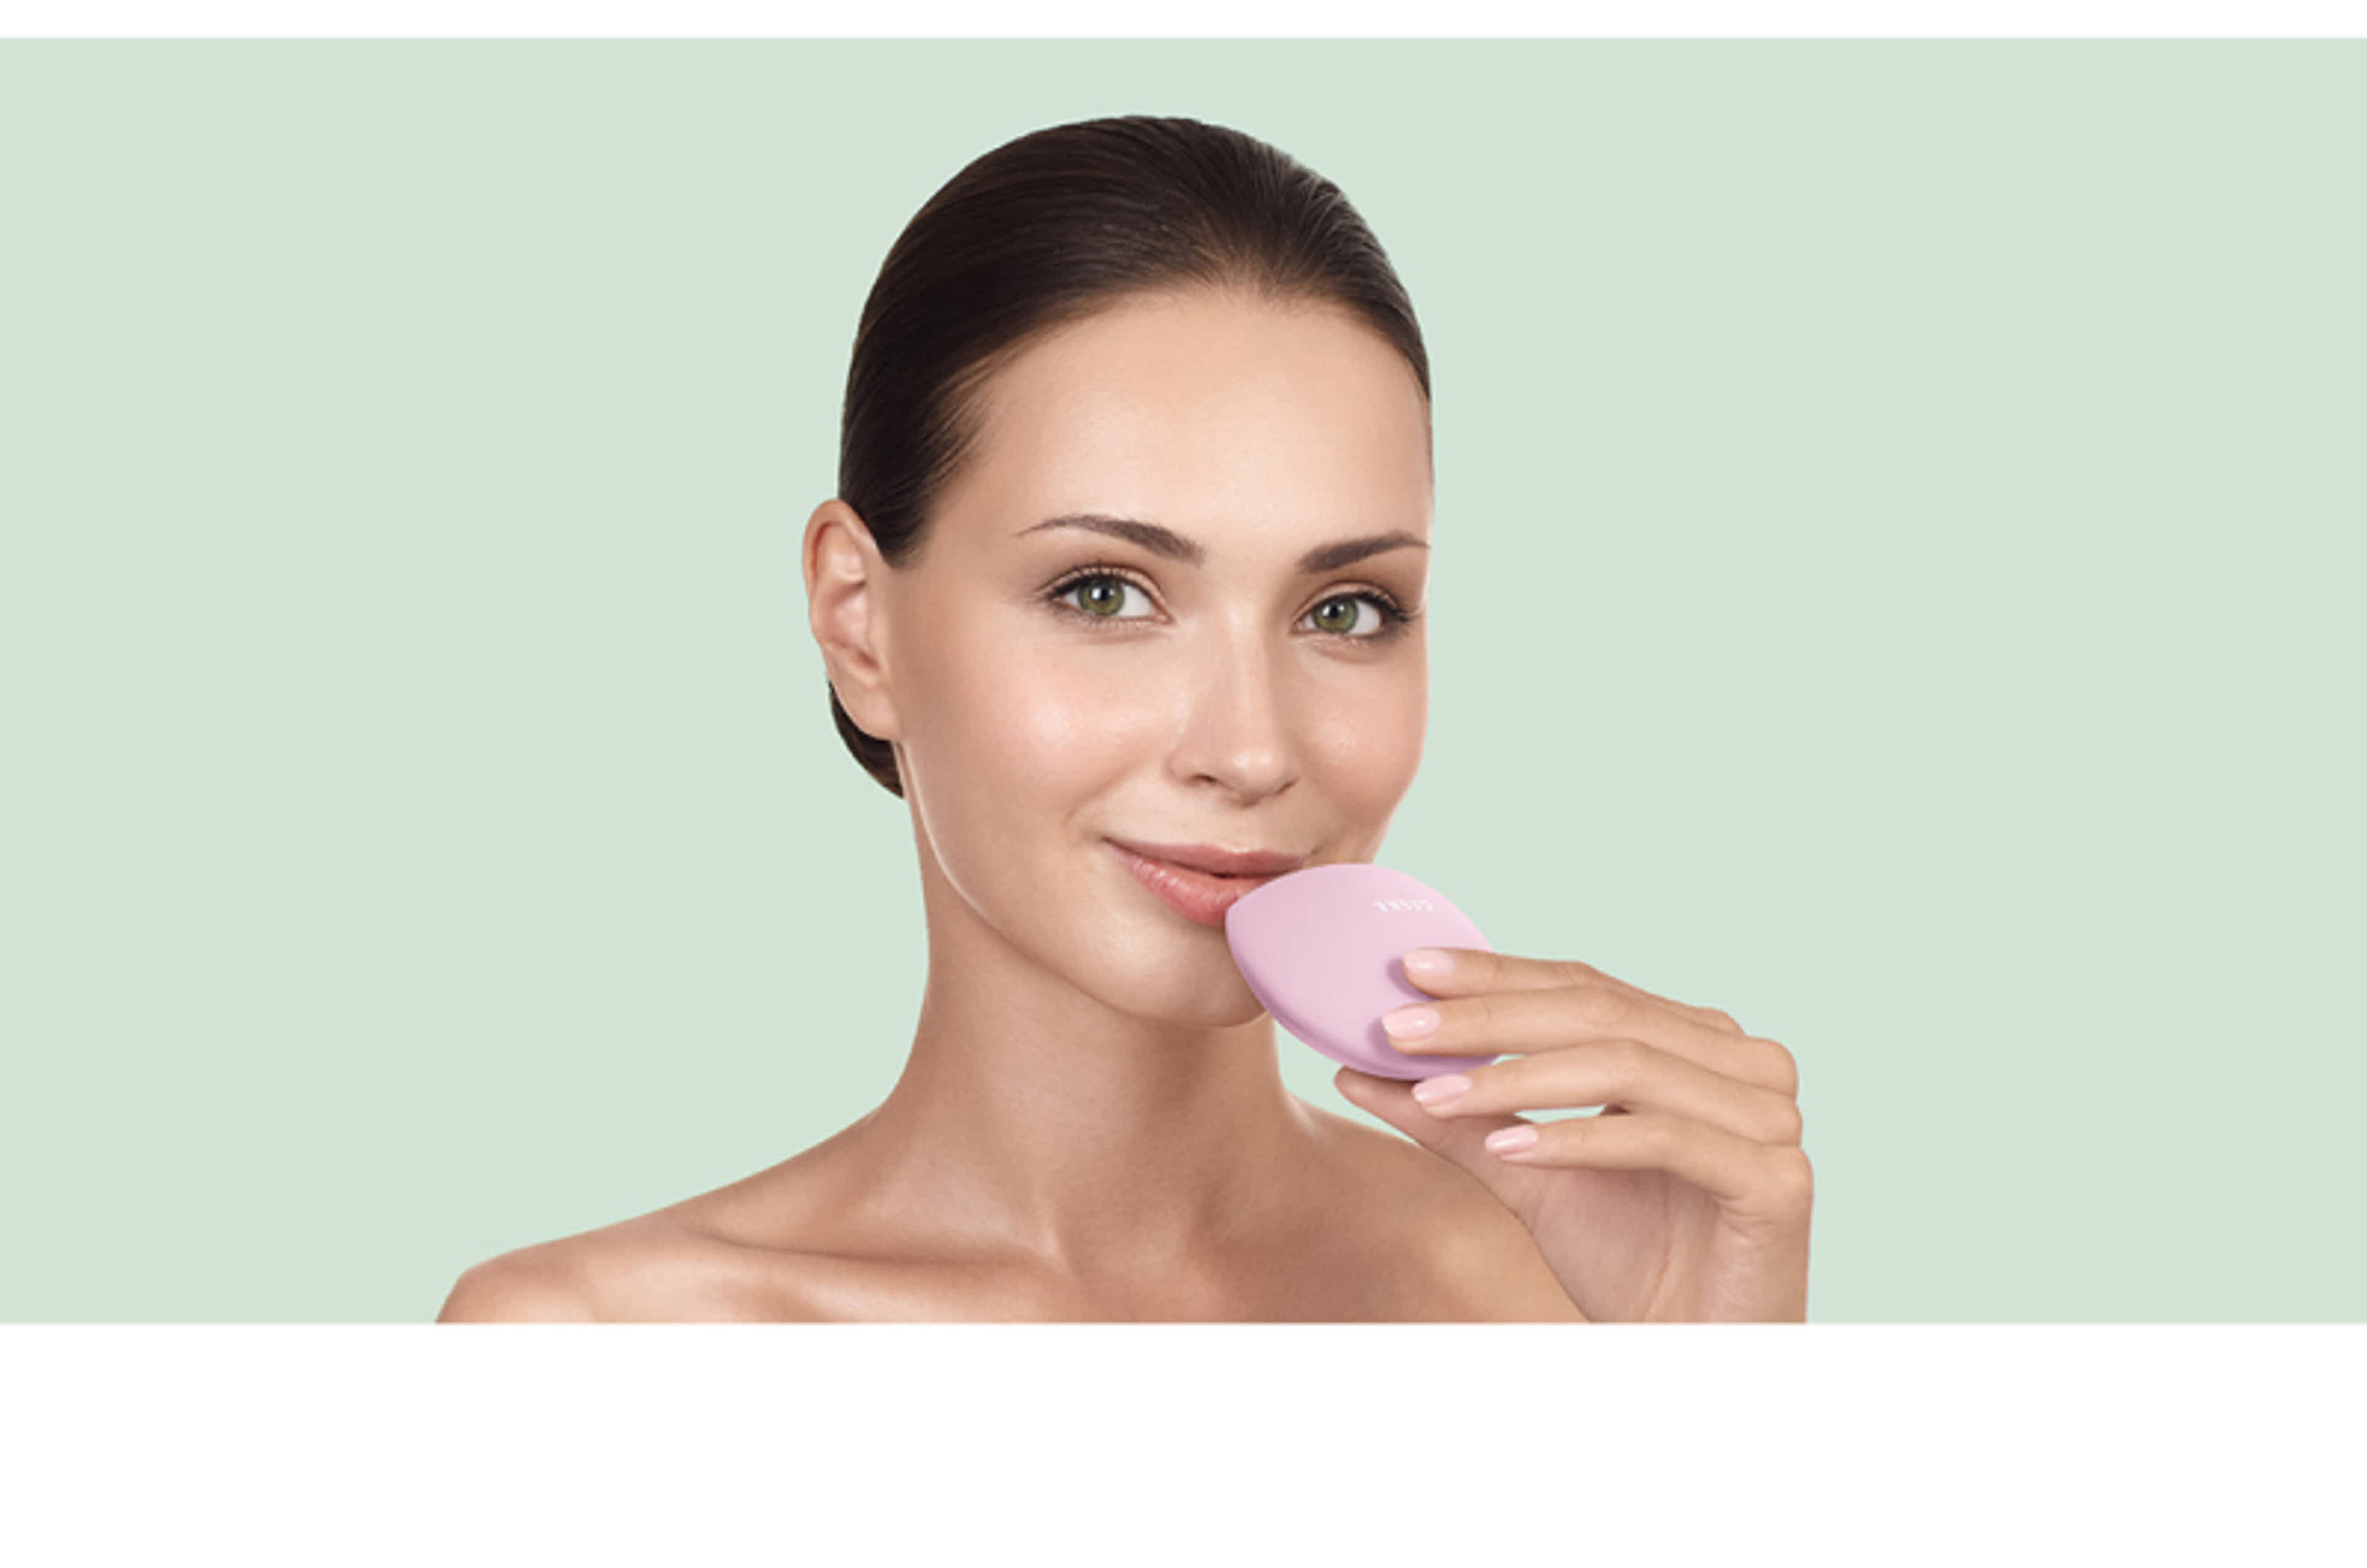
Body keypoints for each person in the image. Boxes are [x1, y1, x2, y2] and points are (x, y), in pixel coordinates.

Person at [436, 114, 1812, 1323]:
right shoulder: (593, 1350)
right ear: (859, 622)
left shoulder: (1567, 1297)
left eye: (1346, 610)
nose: (1252, 751)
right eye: (1104, 592)